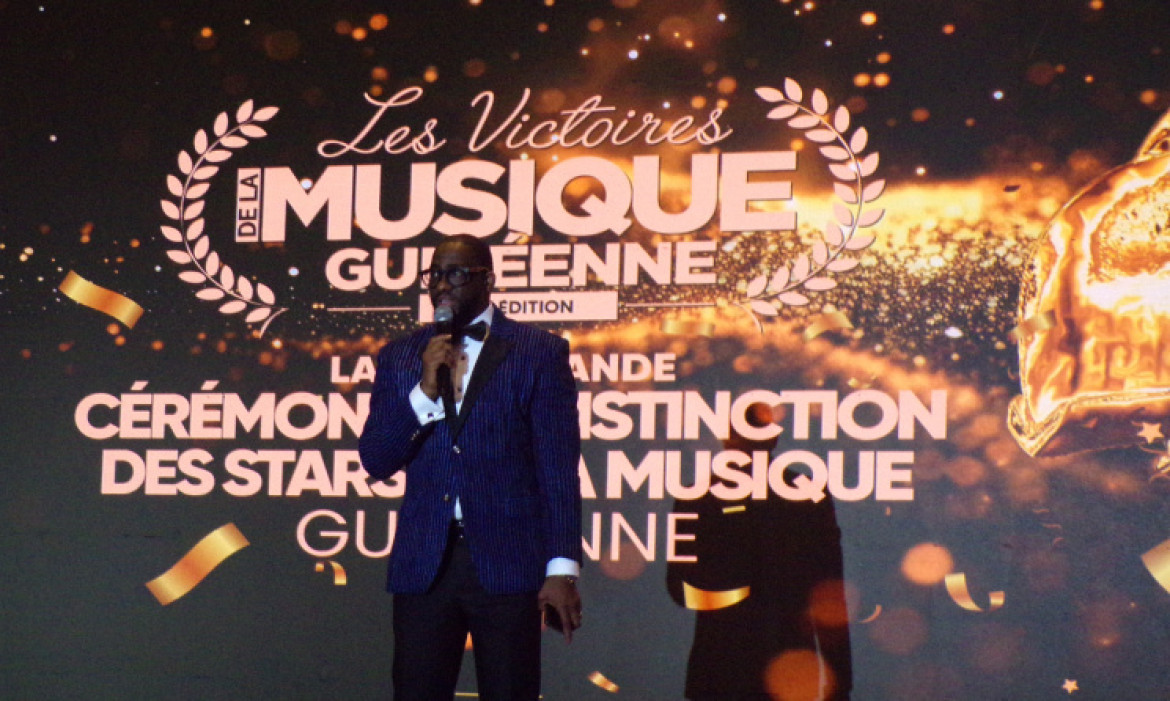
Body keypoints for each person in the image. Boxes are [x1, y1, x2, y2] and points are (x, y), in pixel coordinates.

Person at [359, 234, 583, 701]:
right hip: (426, 563)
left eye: (457, 273)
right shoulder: (401, 356)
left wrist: (561, 568)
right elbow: (377, 459)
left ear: (488, 280)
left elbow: (558, 469)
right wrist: (424, 392)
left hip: (508, 561)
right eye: (434, 274)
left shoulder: (538, 352)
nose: (442, 285)